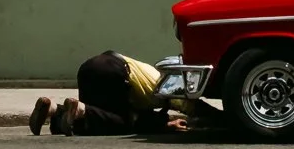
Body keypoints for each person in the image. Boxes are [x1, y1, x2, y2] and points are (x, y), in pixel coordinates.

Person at [28, 51, 217, 136]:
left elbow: (142, 115)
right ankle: (81, 109)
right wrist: (224, 119)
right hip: (113, 70)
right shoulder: (169, 88)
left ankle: (52, 109)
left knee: (93, 122)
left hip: (90, 67)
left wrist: (165, 123)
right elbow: (193, 107)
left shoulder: (157, 79)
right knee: (121, 123)